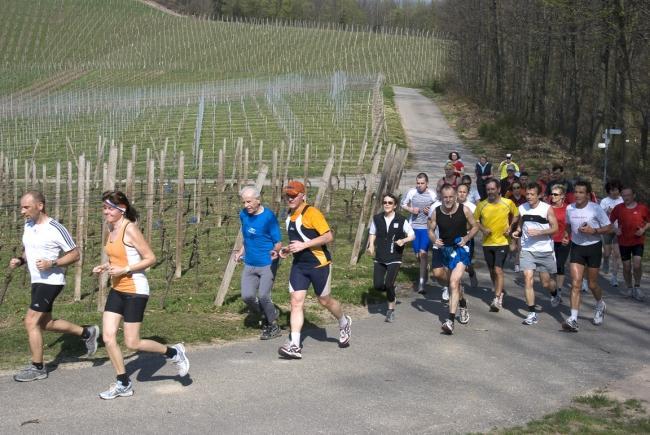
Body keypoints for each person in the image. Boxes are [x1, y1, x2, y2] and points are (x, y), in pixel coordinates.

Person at [94, 191, 189, 399]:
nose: (106, 212)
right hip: (118, 288)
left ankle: (173, 352)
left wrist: (125, 269)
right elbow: (119, 257)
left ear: (122, 209)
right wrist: (106, 266)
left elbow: (150, 258)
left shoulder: (130, 229)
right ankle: (123, 383)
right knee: (108, 337)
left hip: (136, 290)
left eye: (110, 208)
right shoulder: (111, 227)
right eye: (104, 208)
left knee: (132, 343)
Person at [9, 191, 99, 382]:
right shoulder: (29, 224)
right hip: (37, 280)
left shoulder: (55, 228)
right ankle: (87, 332)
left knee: (31, 321)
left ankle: (38, 367)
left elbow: (75, 254)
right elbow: (30, 249)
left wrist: (53, 263)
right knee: (45, 323)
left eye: (26, 207)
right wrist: (21, 260)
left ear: (40, 206)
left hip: (51, 281)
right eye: (21, 207)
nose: (22, 211)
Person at [278, 181, 351, 359]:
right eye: (288, 195)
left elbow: (328, 236)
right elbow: (299, 241)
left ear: (303, 195)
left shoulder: (312, 213)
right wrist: (287, 249)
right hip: (300, 266)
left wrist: (304, 245)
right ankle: (295, 345)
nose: (290, 198)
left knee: (324, 300)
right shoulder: (289, 215)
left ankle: (344, 322)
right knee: (296, 302)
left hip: (319, 264)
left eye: (294, 195)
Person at [561, 181, 611, 332]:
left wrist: (593, 231)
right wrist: (565, 236)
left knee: (592, 284)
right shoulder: (570, 208)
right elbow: (568, 226)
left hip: (594, 248)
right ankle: (573, 319)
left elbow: (609, 227)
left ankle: (600, 304)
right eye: (576, 192)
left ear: (588, 194)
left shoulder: (596, 208)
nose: (577, 195)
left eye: (581, 192)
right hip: (576, 247)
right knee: (576, 283)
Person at [429, 184, 479, 334]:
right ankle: (462, 302)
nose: (448, 200)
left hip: (460, 250)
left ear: (456, 196)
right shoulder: (437, 212)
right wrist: (434, 239)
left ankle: (450, 320)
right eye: (445, 197)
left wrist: (467, 237)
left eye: (451, 197)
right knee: (438, 275)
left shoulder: (464, 209)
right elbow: (430, 229)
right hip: (444, 249)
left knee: (454, 282)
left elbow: (475, 226)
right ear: (441, 197)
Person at [234, 186, 283, 340]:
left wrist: (276, 251)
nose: (246, 205)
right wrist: (241, 251)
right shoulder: (244, 215)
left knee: (263, 296)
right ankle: (267, 313)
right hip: (250, 262)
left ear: (258, 200)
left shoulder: (268, 217)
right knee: (247, 296)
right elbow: (247, 236)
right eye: (244, 202)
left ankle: (273, 325)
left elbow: (278, 242)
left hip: (267, 263)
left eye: (249, 202)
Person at [511, 183, 559, 325]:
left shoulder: (546, 209)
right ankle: (532, 313)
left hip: (544, 249)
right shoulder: (522, 208)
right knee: (528, 278)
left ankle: (555, 293)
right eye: (528, 194)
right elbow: (521, 224)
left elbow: (555, 228)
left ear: (539, 195)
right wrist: (517, 232)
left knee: (545, 283)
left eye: (532, 194)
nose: (529, 197)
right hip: (527, 249)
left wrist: (540, 232)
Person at [367, 193, 415, 322]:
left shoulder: (401, 220)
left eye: (390, 203)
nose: (387, 205)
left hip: (395, 256)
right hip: (380, 256)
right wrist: (371, 245)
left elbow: (412, 235)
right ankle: (391, 289)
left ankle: (390, 309)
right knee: (377, 285)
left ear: (395, 205)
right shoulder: (377, 218)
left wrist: (403, 240)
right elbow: (372, 232)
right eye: (385, 202)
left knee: (388, 283)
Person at [475, 178, 520, 312]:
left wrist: (511, 227)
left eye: (493, 189)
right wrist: (483, 229)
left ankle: (497, 298)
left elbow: (517, 215)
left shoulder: (508, 203)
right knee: (491, 270)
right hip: (487, 243)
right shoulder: (481, 205)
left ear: (499, 189)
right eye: (488, 189)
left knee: (498, 269)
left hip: (502, 242)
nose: (490, 192)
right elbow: (475, 220)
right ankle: (498, 289)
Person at [609, 186, 649, 301]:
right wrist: (616, 230)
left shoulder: (642, 208)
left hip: (638, 241)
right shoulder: (618, 208)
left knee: (637, 264)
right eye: (624, 195)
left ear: (634, 195)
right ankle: (629, 288)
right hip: (624, 241)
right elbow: (610, 221)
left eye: (628, 195)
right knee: (626, 267)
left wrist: (643, 229)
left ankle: (637, 287)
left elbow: (649, 221)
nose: (626, 198)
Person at [401, 173, 437, 293]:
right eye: (418, 183)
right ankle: (425, 268)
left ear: (427, 183)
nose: (420, 185)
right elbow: (402, 204)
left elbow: (438, 207)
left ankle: (421, 284)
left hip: (426, 228)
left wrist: (430, 211)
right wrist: (411, 209)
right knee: (418, 256)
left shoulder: (432, 194)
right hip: (414, 228)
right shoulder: (412, 192)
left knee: (423, 254)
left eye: (422, 183)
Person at [548, 184, 570, 306]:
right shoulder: (548, 208)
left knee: (560, 265)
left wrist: (567, 236)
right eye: (552, 194)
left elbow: (571, 225)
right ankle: (554, 292)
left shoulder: (568, 209)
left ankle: (559, 291)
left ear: (562, 196)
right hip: (550, 241)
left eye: (556, 194)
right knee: (551, 267)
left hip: (564, 241)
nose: (553, 196)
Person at [599, 180, 623, 287]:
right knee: (607, 252)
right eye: (612, 190)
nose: (614, 192)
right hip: (607, 229)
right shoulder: (604, 201)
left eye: (616, 190)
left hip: (619, 230)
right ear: (609, 191)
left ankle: (614, 277)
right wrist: (607, 212)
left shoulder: (622, 200)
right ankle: (606, 260)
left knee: (617, 254)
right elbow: (599, 215)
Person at [457, 183, 479, 288]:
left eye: (464, 192)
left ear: (467, 193)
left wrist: (468, 236)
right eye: (460, 192)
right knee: (456, 262)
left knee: (466, 263)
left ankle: (471, 271)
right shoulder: (451, 204)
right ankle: (456, 285)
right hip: (454, 238)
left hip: (467, 239)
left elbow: (476, 225)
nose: (461, 194)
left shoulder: (472, 207)